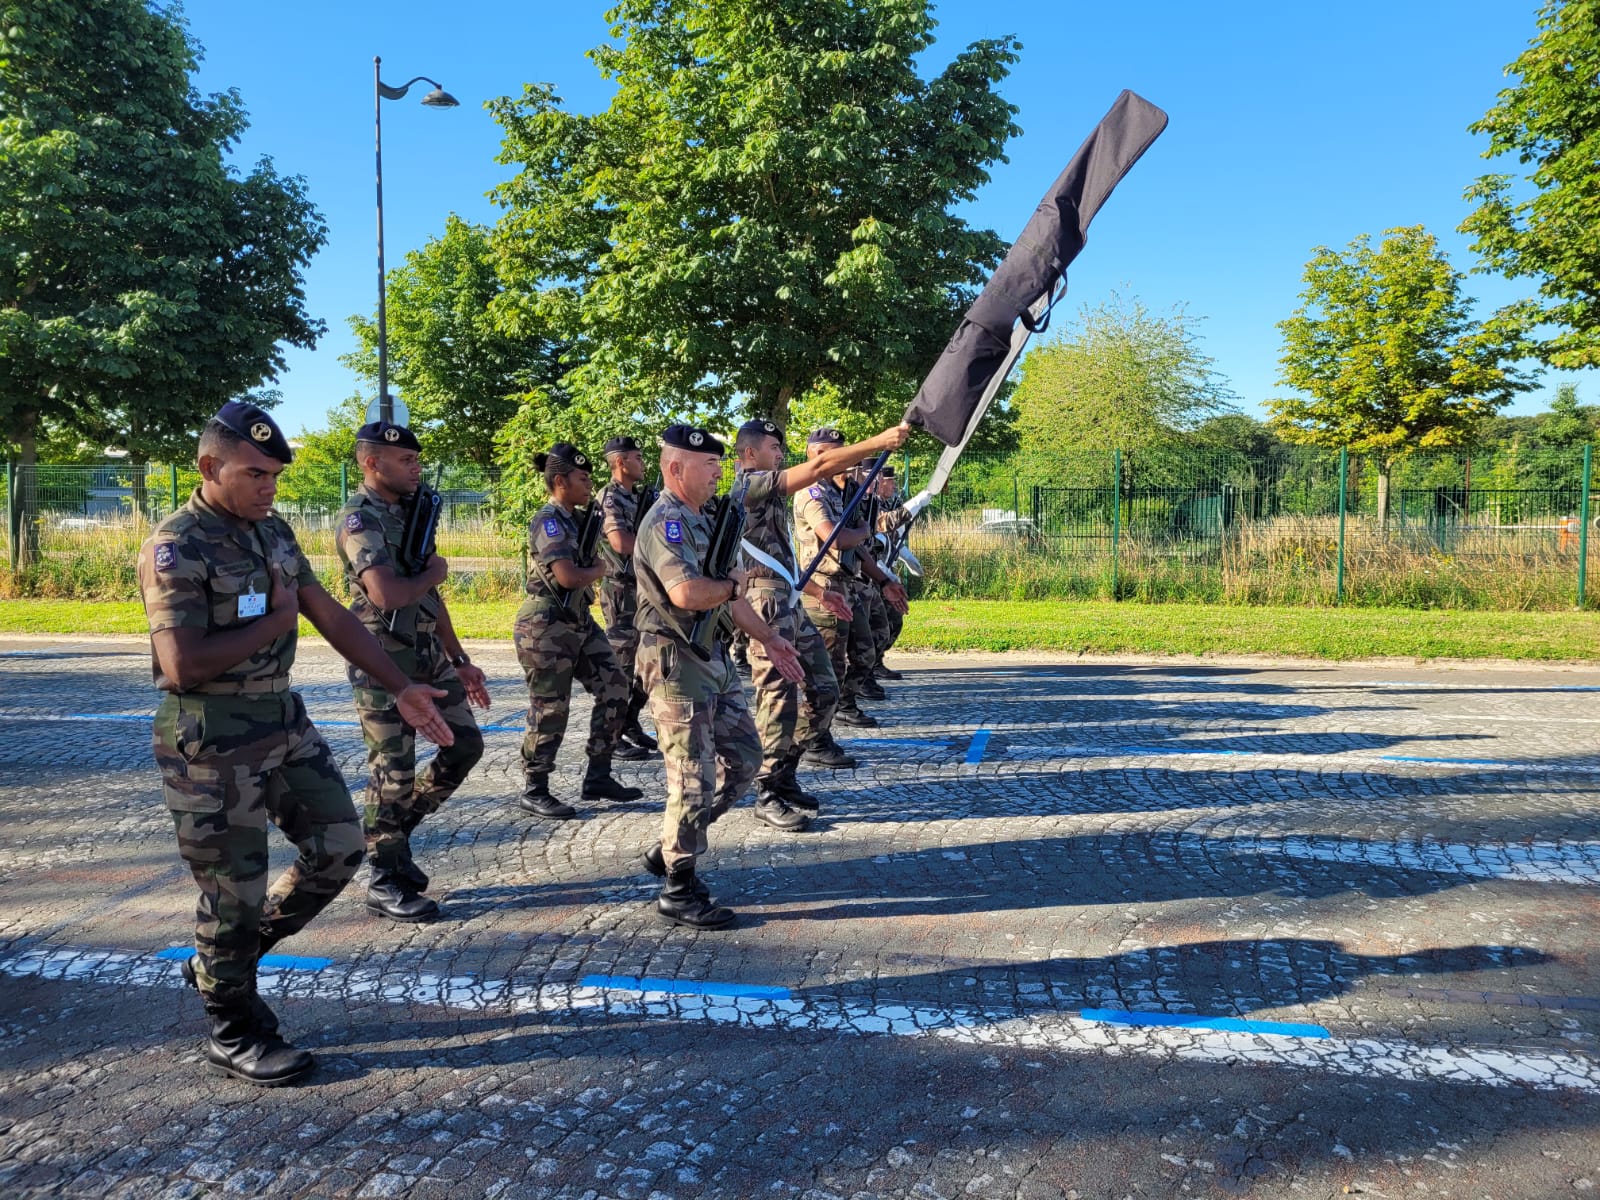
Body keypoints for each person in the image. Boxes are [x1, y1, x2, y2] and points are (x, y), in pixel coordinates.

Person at [138, 401, 456, 1087]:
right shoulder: (177, 544)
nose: (269, 488)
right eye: (255, 474)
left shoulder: (273, 531)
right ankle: (233, 1024)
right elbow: (180, 664)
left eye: (276, 476)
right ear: (208, 467)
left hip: (283, 720)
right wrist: (278, 618)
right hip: (211, 733)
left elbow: (333, 613)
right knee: (233, 890)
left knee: (341, 845)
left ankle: (228, 960)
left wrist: (400, 685)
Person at [633, 424, 807, 928]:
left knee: (747, 758)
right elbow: (688, 594)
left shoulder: (707, 519)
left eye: (717, 463)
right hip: (675, 664)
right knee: (691, 779)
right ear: (674, 468)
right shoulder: (666, 521)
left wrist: (770, 639)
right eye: (706, 464)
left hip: (711, 656)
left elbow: (731, 600)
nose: (717, 472)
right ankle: (679, 887)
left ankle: (671, 846)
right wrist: (732, 583)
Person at [335, 421, 489, 923]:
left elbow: (427, 595)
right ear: (371, 463)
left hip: (427, 655)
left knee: (465, 745)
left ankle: (394, 835)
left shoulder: (410, 514)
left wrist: (459, 659)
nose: (415, 467)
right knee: (393, 771)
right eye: (405, 461)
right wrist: (433, 572)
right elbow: (387, 594)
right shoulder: (359, 520)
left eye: (417, 460)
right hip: (382, 662)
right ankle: (382, 876)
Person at [731, 417, 910, 820]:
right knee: (778, 698)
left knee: (826, 688)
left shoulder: (771, 494)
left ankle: (786, 773)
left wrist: (817, 591)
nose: (780, 454)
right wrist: (879, 441)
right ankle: (766, 791)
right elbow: (817, 469)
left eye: (780, 449)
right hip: (765, 606)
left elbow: (781, 559)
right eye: (772, 449)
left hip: (790, 600)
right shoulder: (747, 486)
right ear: (748, 454)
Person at [513, 442, 643, 820]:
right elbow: (568, 577)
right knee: (551, 708)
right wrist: (600, 569)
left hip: (578, 621)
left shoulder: (578, 519)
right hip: (545, 624)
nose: (589, 485)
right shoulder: (549, 520)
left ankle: (599, 775)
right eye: (582, 479)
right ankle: (535, 787)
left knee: (616, 686)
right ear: (559, 481)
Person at [793, 430, 911, 729]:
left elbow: (857, 545)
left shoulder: (840, 493)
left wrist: (884, 581)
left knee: (866, 651)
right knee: (826, 669)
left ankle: (843, 705)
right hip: (823, 587)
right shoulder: (811, 492)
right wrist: (864, 531)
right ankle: (814, 735)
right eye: (839, 454)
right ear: (819, 455)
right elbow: (836, 538)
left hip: (847, 584)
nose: (847, 461)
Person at [595, 435, 658, 760]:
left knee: (648, 664)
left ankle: (629, 722)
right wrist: (660, 550)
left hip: (645, 591)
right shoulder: (609, 497)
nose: (642, 462)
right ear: (620, 462)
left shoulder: (645, 496)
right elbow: (620, 542)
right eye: (637, 457)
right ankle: (609, 736)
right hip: (622, 592)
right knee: (620, 666)